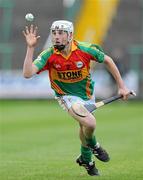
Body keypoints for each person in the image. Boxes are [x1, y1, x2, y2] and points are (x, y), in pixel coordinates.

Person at [22, 20, 130, 176]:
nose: (56, 37)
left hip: (87, 94)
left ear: (70, 35)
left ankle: (86, 160)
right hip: (66, 96)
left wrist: (122, 86)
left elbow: (108, 60)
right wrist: (30, 48)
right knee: (90, 122)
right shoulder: (49, 54)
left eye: (60, 33)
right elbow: (27, 73)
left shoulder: (84, 49)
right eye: (54, 33)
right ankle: (94, 145)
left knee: (84, 126)